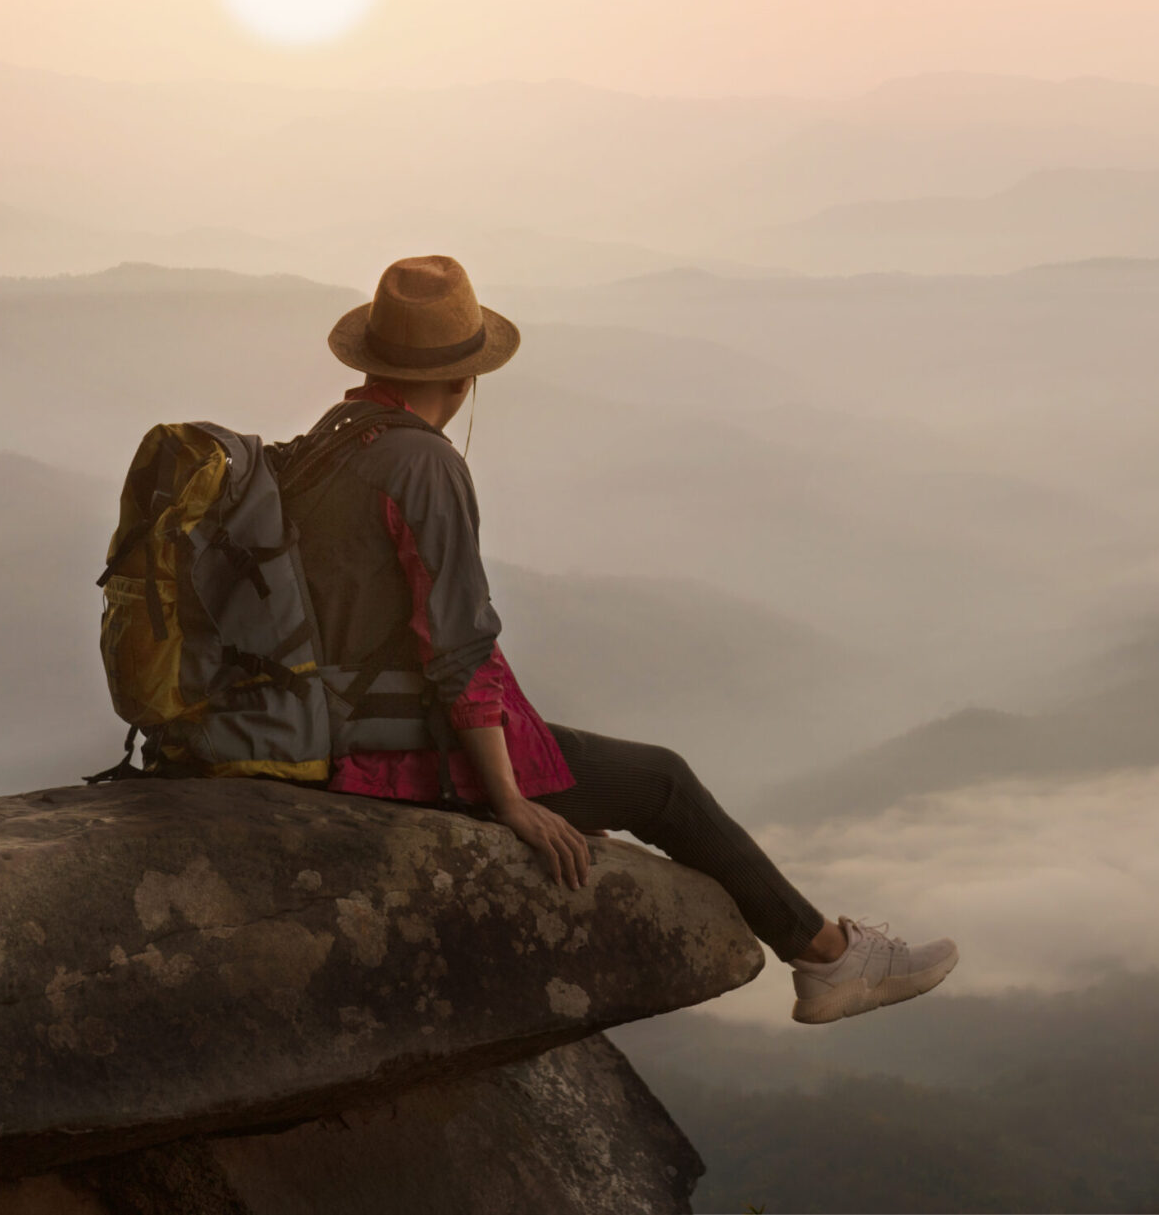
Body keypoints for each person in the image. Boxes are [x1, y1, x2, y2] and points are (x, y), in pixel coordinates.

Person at [273, 255, 956, 1025]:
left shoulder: (330, 440)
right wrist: (512, 801)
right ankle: (831, 958)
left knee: (617, 774)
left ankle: (827, 951)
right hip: (395, 751)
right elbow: (457, 649)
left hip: (323, 724)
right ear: (466, 380)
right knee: (662, 781)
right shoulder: (426, 464)